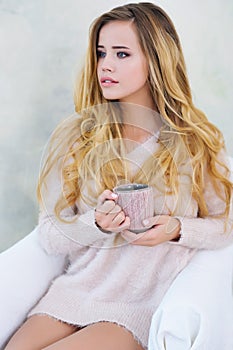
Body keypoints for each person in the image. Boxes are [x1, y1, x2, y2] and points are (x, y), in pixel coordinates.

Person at [5, 2, 233, 350]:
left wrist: (177, 230)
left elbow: (225, 224)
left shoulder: (195, 143)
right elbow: (50, 234)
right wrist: (95, 223)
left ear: (155, 60)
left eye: (122, 54)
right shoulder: (81, 139)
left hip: (137, 304)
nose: (105, 65)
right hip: (75, 291)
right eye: (101, 53)